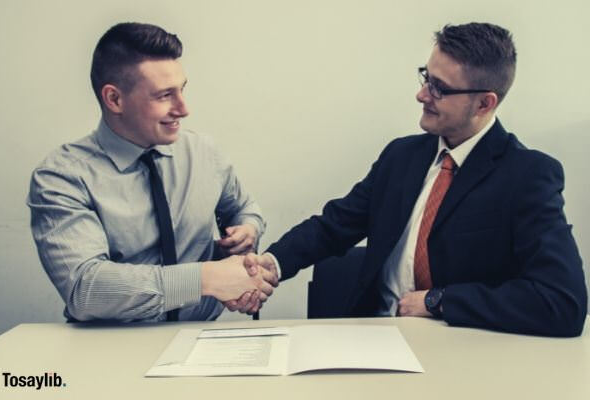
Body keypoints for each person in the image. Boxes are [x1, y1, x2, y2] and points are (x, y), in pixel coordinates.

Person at [237, 22, 587, 336]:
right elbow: (335, 225)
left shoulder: (527, 175)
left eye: (439, 88)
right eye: (426, 78)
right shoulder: (401, 157)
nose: (422, 95)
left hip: (461, 353)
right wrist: (271, 264)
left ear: (484, 103)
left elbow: (563, 303)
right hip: (373, 339)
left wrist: (439, 301)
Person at [27, 22, 273, 322]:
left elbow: (244, 209)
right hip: (108, 348)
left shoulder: (204, 153)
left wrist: (246, 230)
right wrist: (205, 278)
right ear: (114, 99)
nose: (183, 109)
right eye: (164, 95)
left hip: (202, 338)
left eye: (182, 90)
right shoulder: (61, 177)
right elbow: (85, 290)